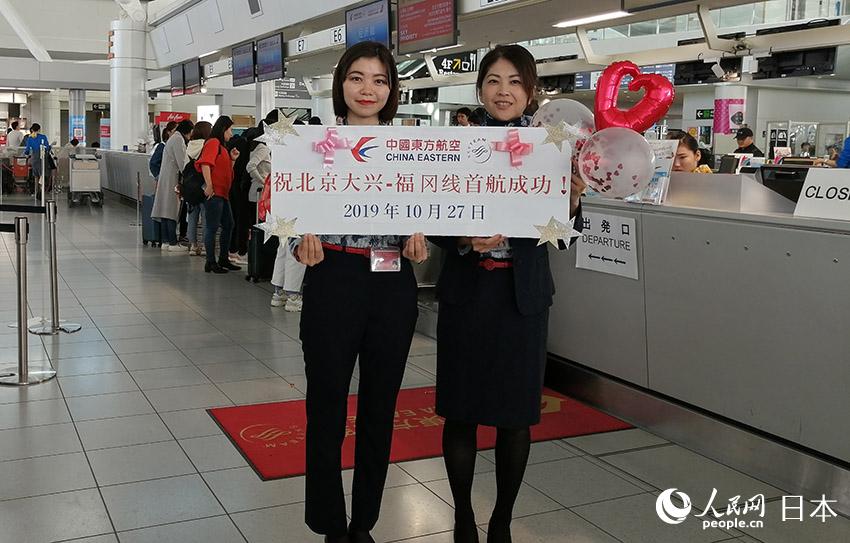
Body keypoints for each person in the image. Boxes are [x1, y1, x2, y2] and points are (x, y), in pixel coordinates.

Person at [429, 44, 584, 543]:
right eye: (493, 81)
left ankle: (501, 520)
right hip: (468, 295)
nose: (503, 91)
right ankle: (462, 518)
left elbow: (559, 234)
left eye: (515, 82)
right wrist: (462, 238)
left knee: (516, 417)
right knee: (463, 411)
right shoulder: (456, 146)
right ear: (479, 90)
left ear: (531, 91)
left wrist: (573, 197)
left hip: (523, 300)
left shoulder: (553, 148)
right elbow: (431, 219)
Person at [294, 41, 427, 543]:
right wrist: (296, 240)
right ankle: (330, 523)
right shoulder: (312, 144)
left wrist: (421, 239)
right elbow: (286, 207)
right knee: (325, 405)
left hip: (392, 284)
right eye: (357, 77)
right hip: (333, 278)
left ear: (391, 90)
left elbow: (427, 214)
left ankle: (364, 522)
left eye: (379, 79)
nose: (368, 89)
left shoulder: (411, 151)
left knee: (380, 407)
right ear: (341, 85)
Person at [197, 115, 241, 274]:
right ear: (223, 129)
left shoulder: (222, 147)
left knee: (228, 224)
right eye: (230, 129)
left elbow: (227, 172)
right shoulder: (213, 143)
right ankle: (210, 262)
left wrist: (233, 160)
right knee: (213, 226)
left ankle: (223, 258)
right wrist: (209, 185)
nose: (231, 133)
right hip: (215, 193)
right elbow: (205, 164)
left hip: (222, 194)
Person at [152, 120, 193, 251]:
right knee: (171, 210)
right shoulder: (178, 140)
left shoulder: (173, 138)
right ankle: (173, 243)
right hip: (172, 180)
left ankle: (165, 241)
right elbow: (183, 164)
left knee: (165, 210)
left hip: (166, 179)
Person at [184, 121, 212, 256]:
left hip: (190, 186)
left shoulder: (189, 145)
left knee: (192, 217)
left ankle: (193, 246)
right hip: (203, 185)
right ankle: (206, 246)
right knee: (206, 217)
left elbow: (183, 167)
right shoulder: (206, 145)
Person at [23, 123, 52, 193]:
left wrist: (26, 154)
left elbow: (27, 150)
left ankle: (36, 191)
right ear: (39, 129)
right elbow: (47, 147)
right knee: (42, 174)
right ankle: (42, 191)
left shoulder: (30, 138)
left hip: (34, 158)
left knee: (36, 175)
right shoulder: (43, 137)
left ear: (32, 129)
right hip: (42, 157)